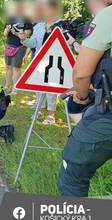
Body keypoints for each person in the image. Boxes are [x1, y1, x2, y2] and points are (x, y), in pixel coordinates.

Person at [58, 3, 112, 197]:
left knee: (72, 174)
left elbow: (81, 74)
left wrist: (81, 96)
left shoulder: (108, 16)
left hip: (107, 113)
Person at [17, 0, 63, 125]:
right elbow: (33, 43)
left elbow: (65, 46)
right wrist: (24, 39)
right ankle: (40, 110)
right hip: (39, 62)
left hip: (54, 63)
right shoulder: (38, 26)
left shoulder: (62, 25)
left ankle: (51, 115)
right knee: (39, 88)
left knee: (51, 89)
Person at [4, 1, 33, 95]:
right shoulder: (10, 18)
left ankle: (15, 89)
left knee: (16, 68)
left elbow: (27, 33)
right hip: (8, 45)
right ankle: (7, 86)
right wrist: (7, 30)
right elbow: (5, 34)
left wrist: (15, 33)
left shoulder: (26, 19)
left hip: (20, 46)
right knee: (8, 67)